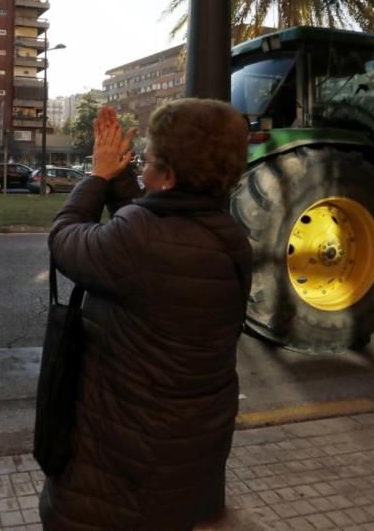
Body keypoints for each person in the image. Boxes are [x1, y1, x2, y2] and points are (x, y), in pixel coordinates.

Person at [39, 99, 252, 530]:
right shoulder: (226, 236)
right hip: (184, 455)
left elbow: (64, 240)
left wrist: (97, 175)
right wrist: (118, 180)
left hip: (120, 474)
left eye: (147, 161)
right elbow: (151, 225)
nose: (140, 170)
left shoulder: (141, 242)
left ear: (169, 175)